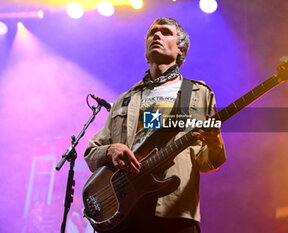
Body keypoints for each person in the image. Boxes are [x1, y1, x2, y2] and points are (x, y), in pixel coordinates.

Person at [84, 17, 226, 233]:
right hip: (123, 212)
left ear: (181, 50)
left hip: (173, 212)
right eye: (152, 33)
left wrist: (215, 142)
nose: (157, 36)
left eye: (166, 32)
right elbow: (91, 153)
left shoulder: (197, 93)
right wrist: (112, 149)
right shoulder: (125, 99)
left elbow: (206, 162)